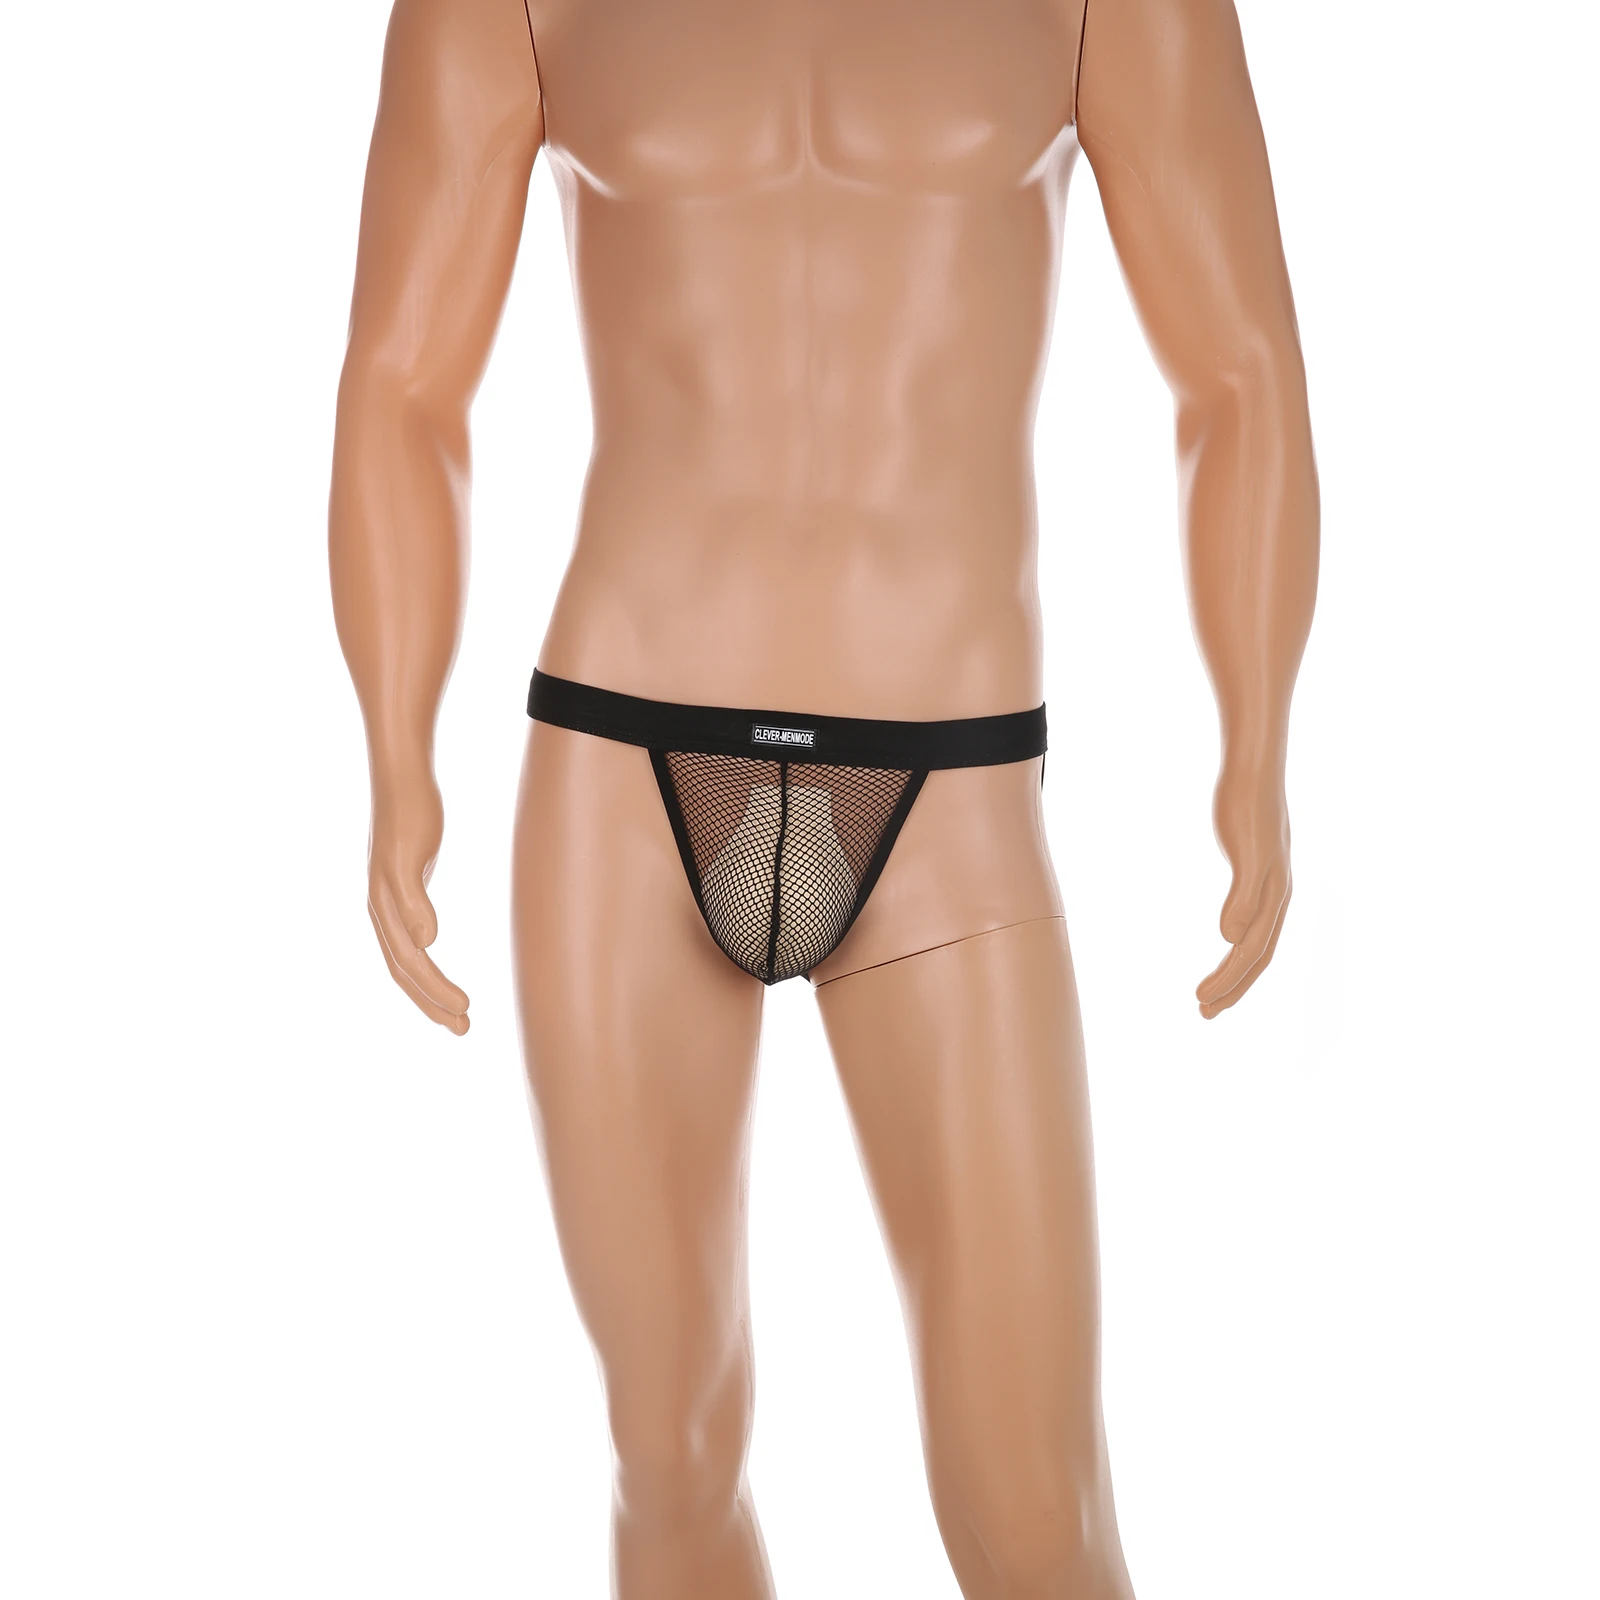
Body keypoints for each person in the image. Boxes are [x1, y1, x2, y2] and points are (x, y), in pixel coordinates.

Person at [328, 0, 1319, 1594]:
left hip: (952, 781)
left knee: (1038, 1516)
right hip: (622, 762)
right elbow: (401, 386)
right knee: (673, 1454)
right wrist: (395, 748)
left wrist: (1257, 739)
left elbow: (1240, 374)